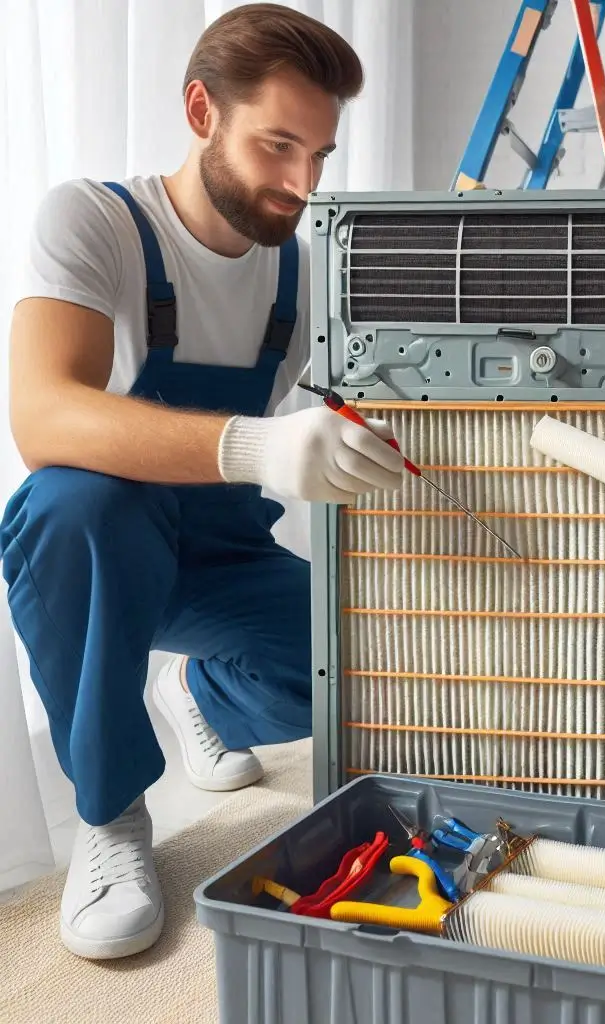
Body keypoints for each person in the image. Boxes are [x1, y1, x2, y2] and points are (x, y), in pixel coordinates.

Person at [0, 4, 404, 960]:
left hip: (222, 554)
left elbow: (361, 404)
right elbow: (43, 417)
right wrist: (261, 450)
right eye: (277, 146)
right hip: (103, 548)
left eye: (321, 154)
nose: (301, 184)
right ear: (200, 109)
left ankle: (199, 691)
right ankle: (110, 818)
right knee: (76, 499)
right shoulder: (95, 220)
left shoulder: (301, 276)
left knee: (369, 682)